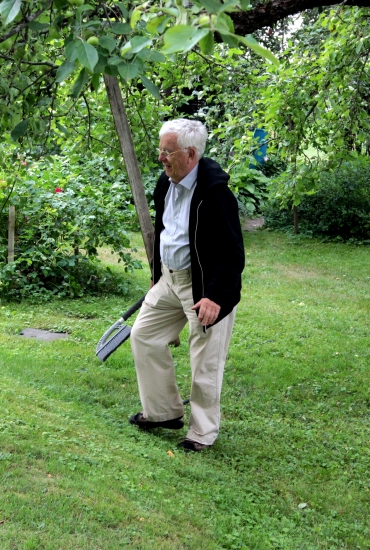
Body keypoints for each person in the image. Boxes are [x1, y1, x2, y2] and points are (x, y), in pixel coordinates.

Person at [128, 119, 245, 452]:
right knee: (144, 336)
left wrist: (216, 297)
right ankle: (163, 412)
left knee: (205, 361)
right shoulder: (165, 185)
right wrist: (156, 274)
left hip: (204, 287)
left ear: (190, 154)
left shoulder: (215, 194)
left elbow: (232, 254)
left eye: (168, 151)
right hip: (169, 279)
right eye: (161, 150)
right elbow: (164, 233)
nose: (162, 158)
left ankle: (202, 433)